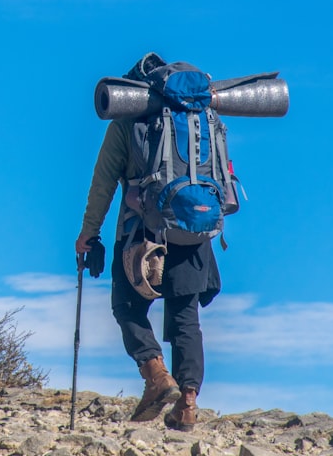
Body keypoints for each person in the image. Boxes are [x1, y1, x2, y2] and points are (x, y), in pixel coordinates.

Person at [76, 55, 222, 429]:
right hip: (194, 227)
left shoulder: (129, 120)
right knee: (185, 318)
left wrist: (88, 234)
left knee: (127, 307)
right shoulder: (203, 117)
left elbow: (103, 182)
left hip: (140, 236)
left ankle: (156, 375)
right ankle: (187, 404)